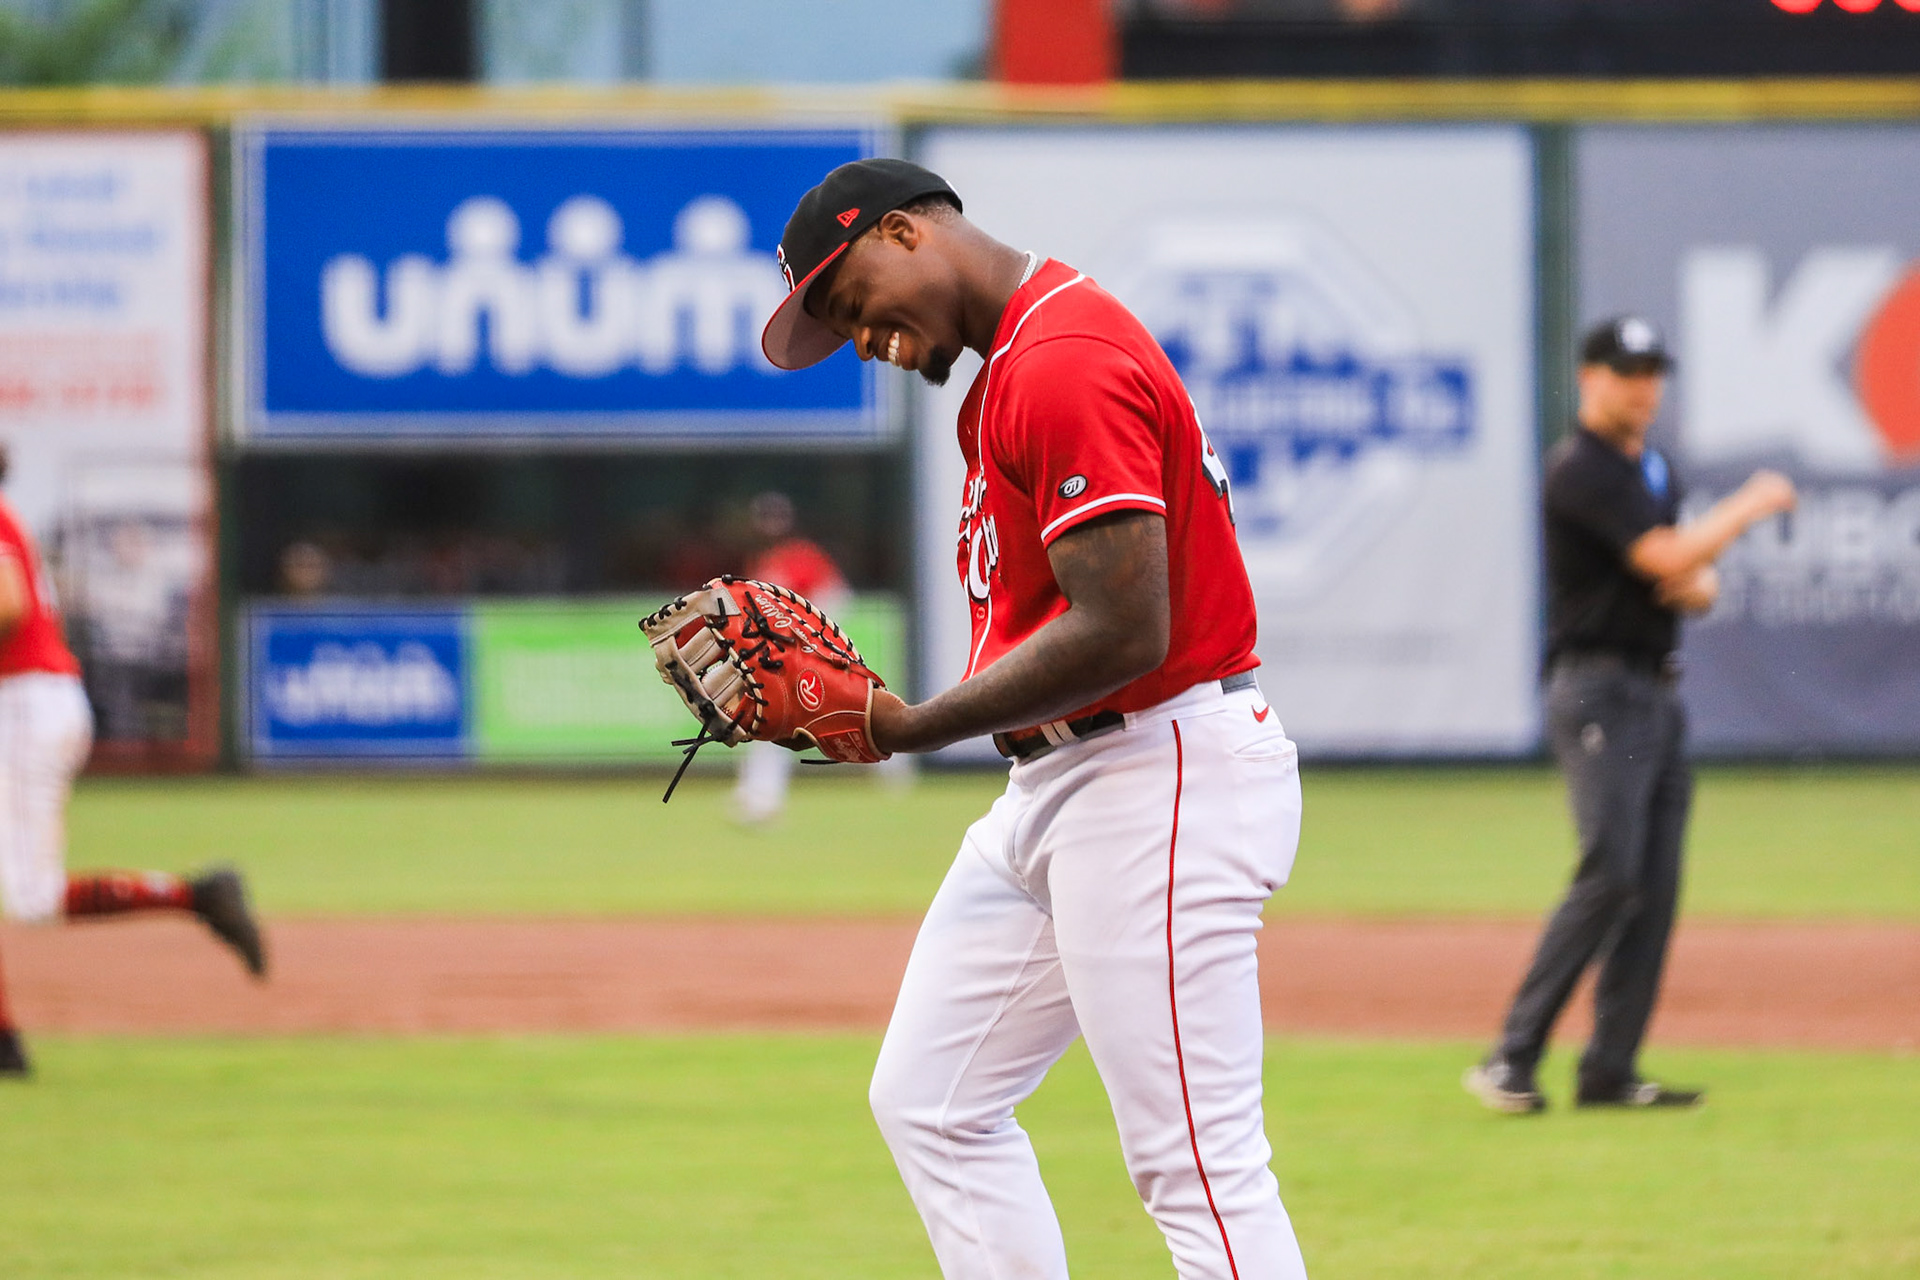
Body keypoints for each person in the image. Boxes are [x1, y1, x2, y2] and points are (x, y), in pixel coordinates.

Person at [762, 159, 1308, 1278]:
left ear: (906, 232)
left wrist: (904, 726)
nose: (861, 336)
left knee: (1196, 1166)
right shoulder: (1012, 369)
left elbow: (1124, 627)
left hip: (1157, 773)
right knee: (932, 1099)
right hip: (1061, 786)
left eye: (850, 300)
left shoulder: (1062, 357)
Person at [1463, 317, 1797, 1114]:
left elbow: (1691, 583)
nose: (1642, 386)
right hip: (1598, 688)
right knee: (1610, 868)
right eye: (1625, 371)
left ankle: (1609, 1068)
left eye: (1651, 371)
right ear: (1588, 378)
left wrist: (1689, 568)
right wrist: (1745, 508)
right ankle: (1511, 1057)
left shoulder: (1650, 467)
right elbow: (1672, 562)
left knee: (1652, 883)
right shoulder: (1580, 469)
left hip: (1656, 689)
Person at [0, 447, 267, 1079]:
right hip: (30, 704)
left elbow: (7, 603)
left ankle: (197, 895)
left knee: (33, 899)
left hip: (25, 708)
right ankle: (5, 1046)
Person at [732, 490, 854, 824]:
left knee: (854, 713)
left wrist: (813, 640)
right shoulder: (760, 561)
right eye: (764, 518)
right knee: (770, 720)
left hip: (811, 656)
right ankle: (759, 796)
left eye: (775, 518)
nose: (770, 524)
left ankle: (760, 797)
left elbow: (839, 599)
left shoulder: (803, 555)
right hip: (784, 659)